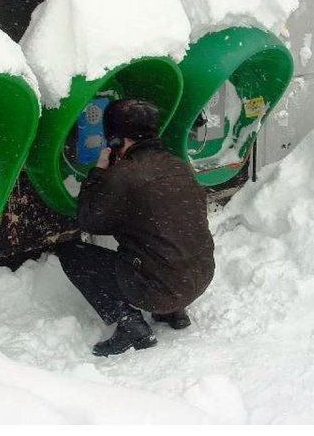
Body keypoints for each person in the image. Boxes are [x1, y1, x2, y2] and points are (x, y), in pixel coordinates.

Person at [55, 99, 215, 357]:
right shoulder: (178, 165)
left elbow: (88, 220)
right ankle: (175, 312)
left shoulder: (124, 174)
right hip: (199, 279)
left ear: (117, 140)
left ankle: (129, 324)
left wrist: (98, 173)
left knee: (72, 254)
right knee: (163, 239)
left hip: (161, 289)